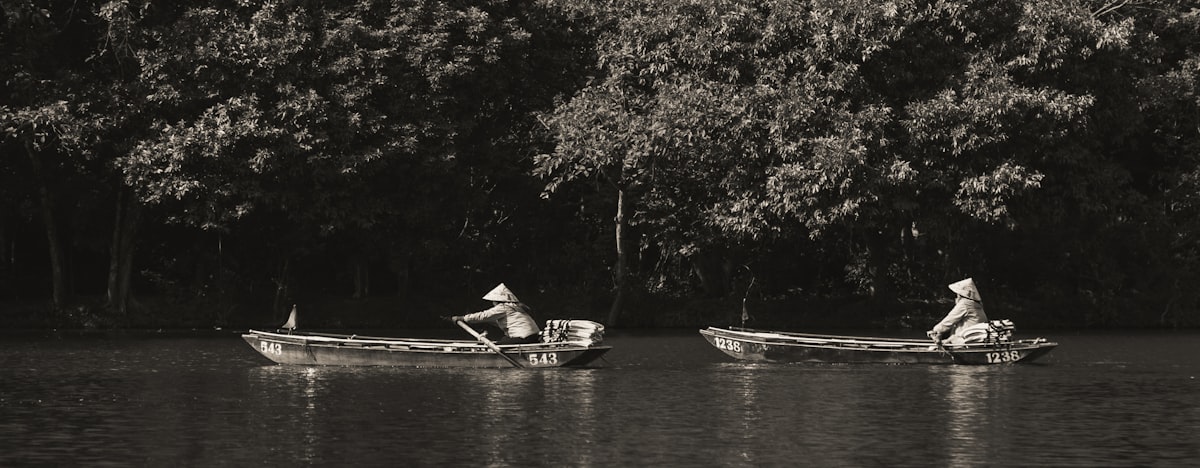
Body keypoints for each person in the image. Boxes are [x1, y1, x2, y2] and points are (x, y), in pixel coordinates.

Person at [450, 283, 541, 344]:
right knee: (503, 340)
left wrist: (463, 318)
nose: (492, 303)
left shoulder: (503, 307)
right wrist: (488, 322)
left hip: (522, 337)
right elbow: (510, 323)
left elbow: (483, 315)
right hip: (534, 337)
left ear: (497, 300)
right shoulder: (516, 307)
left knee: (499, 344)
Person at [927, 278, 989, 345]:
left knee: (933, 348)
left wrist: (935, 330)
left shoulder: (965, 303)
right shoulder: (976, 304)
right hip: (975, 338)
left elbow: (950, 319)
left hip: (965, 339)